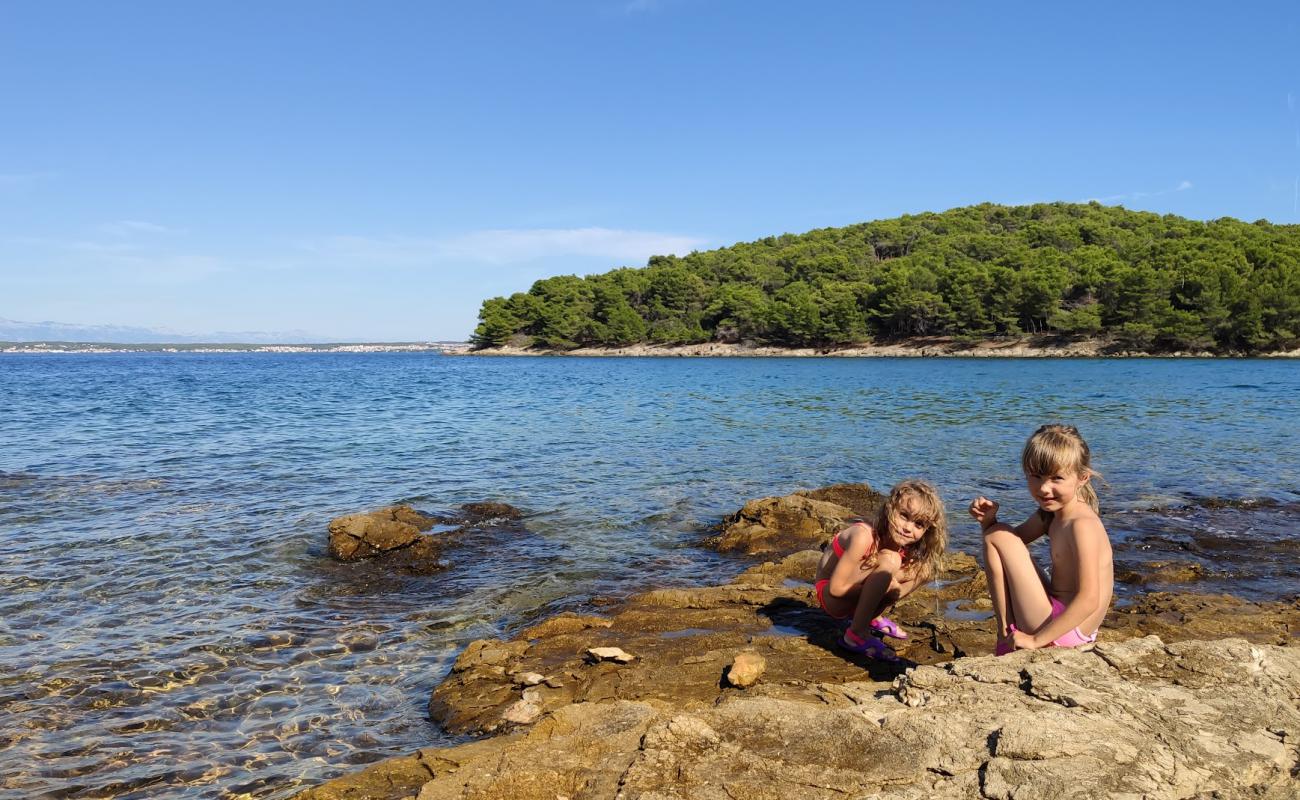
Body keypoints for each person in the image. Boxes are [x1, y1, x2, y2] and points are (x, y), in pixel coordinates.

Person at [969, 424, 1113, 655]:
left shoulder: (1082, 525)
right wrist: (988, 521)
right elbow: (1006, 547)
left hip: (1068, 630)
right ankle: (1007, 635)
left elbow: (1089, 599)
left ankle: (1005, 638)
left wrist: (1036, 641)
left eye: (1057, 478)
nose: (1045, 488)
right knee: (997, 533)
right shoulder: (1050, 515)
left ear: (1082, 478)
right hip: (1058, 616)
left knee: (998, 534)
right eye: (1035, 476)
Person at [813, 479, 948, 661]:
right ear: (889, 508)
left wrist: (888, 591)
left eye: (919, 525)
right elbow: (836, 590)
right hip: (831, 597)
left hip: (854, 590)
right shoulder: (863, 535)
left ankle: (870, 616)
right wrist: (880, 590)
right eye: (904, 516)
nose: (908, 528)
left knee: (925, 569)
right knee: (891, 561)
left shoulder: (901, 542)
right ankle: (856, 635)